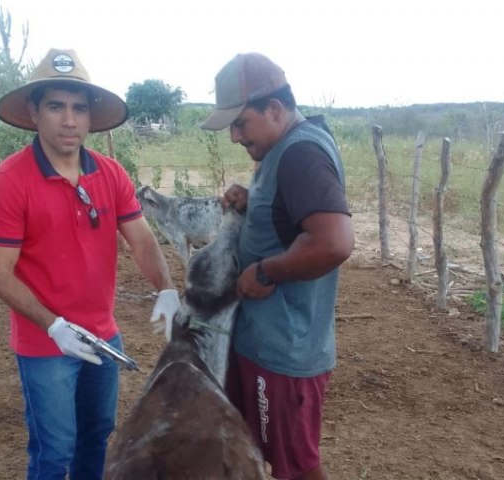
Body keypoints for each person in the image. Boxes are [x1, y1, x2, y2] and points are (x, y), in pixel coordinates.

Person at [0, 48, 181, 480]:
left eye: (78, 108)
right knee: (54, 453)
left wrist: (166, 287)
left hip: (104, 336)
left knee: (97, 435)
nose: (69, 120)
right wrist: (53, 325)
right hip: (44, 345)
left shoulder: (110, 174)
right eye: (56, 106)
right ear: (34, 112)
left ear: (89, 117)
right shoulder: (8, 183)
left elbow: (142, 240)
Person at [201, 52, 355, 480]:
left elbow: (334, 242)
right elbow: (295, 217)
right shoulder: (283, 148)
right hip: (265, 342)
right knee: (261, 450)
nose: (234, 136)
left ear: (274, 108)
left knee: (295, 467)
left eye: (240, 123)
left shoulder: (301, 153)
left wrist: (267, 271)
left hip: (285, 350)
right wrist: (255, 206)